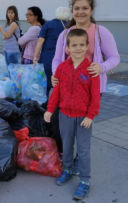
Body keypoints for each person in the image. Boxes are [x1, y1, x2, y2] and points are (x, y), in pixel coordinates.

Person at [51, 0, 120, 171]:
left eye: (85, 8)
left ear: (91, 10)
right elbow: (57, 59)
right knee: (62, 126)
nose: (80, 12)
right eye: (77, 8)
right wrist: (55, 75)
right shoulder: (65, 33)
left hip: (90, 88)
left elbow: (114, 57)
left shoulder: (100, 32)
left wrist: (101, 67)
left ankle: (78, 161)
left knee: (83, 126)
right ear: (72, 11)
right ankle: (67, 157)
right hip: (66, 88)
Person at [44, 29, 100, 200]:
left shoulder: (91, 69)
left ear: (87, 46)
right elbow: (56, 92)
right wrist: (50, 109)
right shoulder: (61, 68)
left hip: (84, 118)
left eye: (82, 45)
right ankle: (67, 170)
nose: (78, 48)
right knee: (67, 146)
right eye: (74, 45)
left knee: (83, 150)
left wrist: (91, 115)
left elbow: (95, 96)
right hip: (65, 116)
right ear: (67, 48)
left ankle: (84, 181)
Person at [33, 7, 71, 96]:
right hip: (62, 59)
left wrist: (35, 56)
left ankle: (44, 106)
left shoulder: (48, 24)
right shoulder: (69, 27)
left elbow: (40, 41)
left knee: (44, 85)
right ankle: (55, 108)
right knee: (58, 86)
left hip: (46, 58)